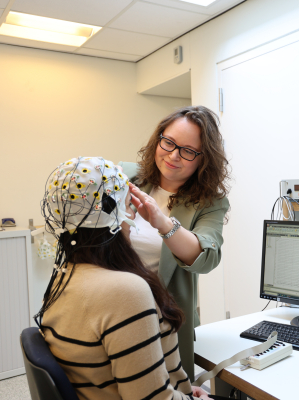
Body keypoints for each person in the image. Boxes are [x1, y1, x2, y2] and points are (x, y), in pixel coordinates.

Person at [36, 157, 211, 399]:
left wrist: (182, 389)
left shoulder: (65, 275)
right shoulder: (125, 291)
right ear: (115, 213)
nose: (135, 214)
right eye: (130, 204)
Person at [118, 106, 230, 380]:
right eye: (168, 143)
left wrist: (162, 222)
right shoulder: (125, 176)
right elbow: (100, 244)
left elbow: (206, 256)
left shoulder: (209, 202)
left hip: (161, 320)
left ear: (204, 159)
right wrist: (121, 222)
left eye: (188, 151)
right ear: (158, 139)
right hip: (113, 307)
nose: (173, 155)